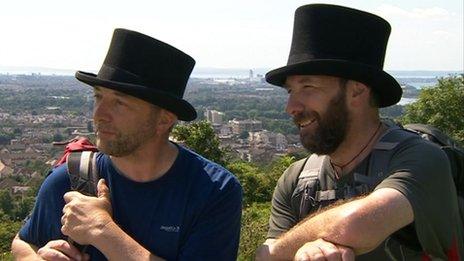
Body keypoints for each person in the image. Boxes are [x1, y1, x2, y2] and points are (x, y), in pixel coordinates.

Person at [11, 28, 242, 261]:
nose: (99, 115)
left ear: (164, 119)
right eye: (98, 96)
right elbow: (24, 243)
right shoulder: (70, 179)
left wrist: (103, 231)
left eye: (120, 103)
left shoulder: (212, 191)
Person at [255, 4, 463, 261]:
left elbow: (352, 226)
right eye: (290, 91)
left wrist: (299, 244)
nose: (291, 107)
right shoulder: (297, 180)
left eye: (308, 86)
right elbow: (266, 258)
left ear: (357, 90)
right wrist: (308, 245)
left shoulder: (421, 159)